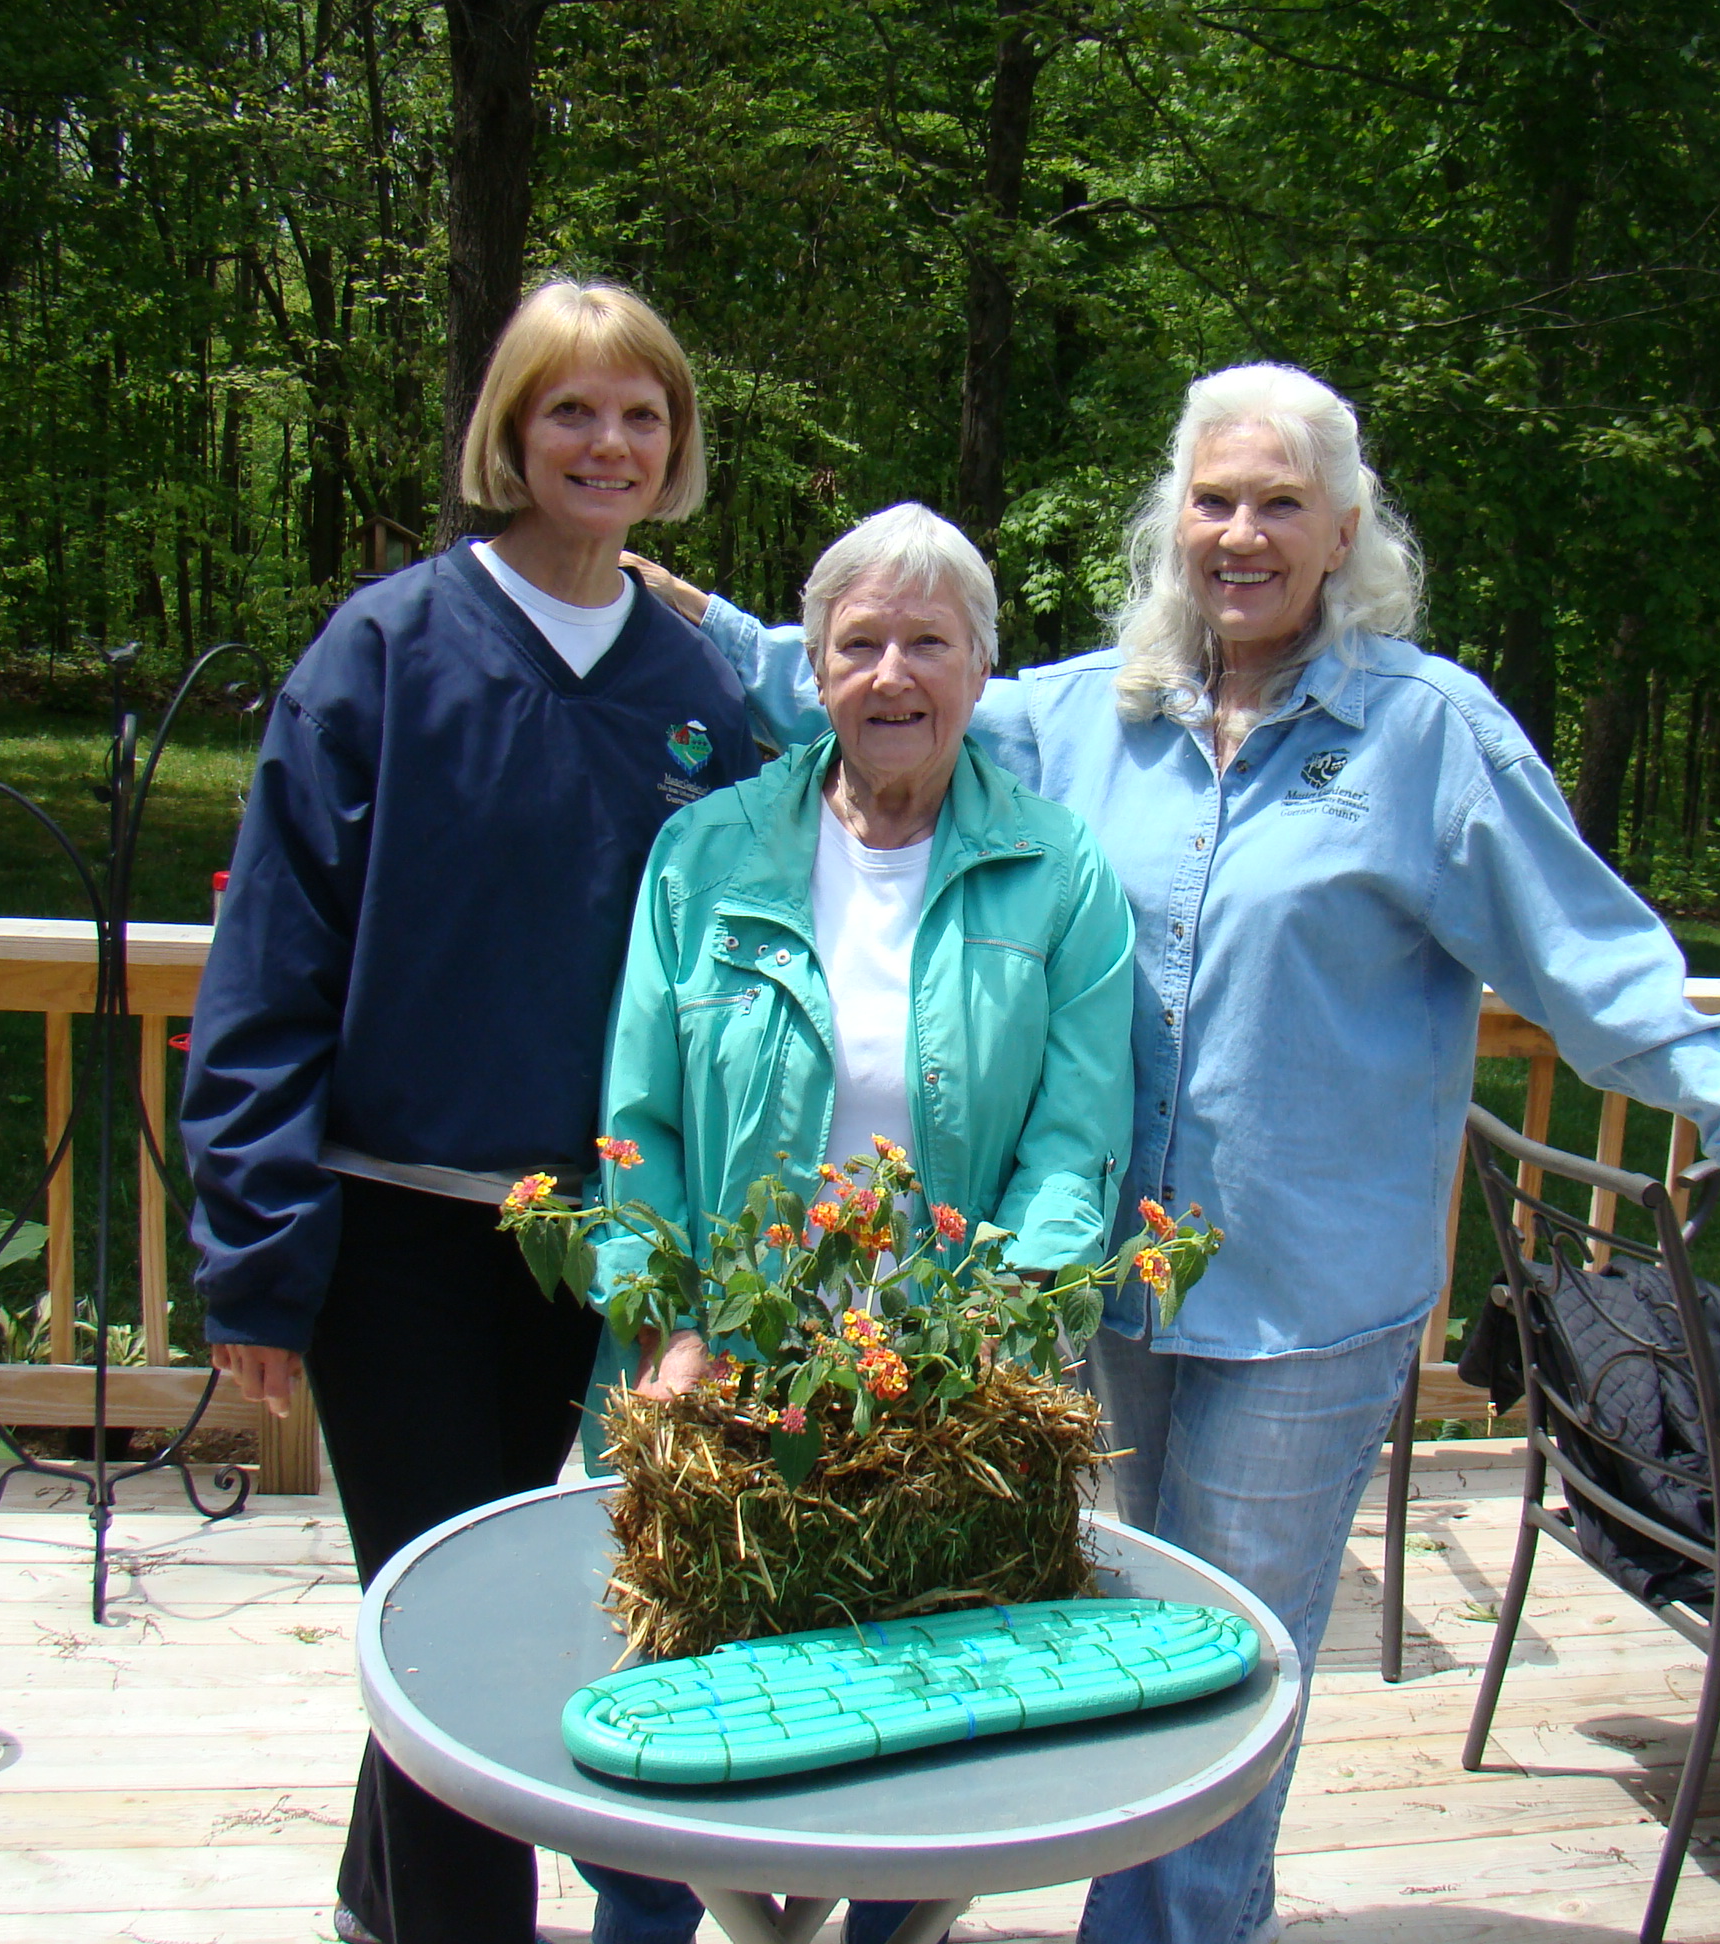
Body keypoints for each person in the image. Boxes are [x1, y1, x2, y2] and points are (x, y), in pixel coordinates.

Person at [629, 363, 1720, 1944]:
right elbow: (877, 677)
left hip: (1302, 1305)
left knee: (1226, 1677)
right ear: (1175, 521)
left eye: (1280, 503)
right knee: (1094, 1647)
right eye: (1215, 500)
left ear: (1345, 528)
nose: (1243, 534)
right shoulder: (1093, 714)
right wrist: (641, 578)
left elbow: (1599, 965)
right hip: (1093, 1294)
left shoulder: (1428, 738)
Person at [180, 280, 760, 1944]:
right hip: (402, 1233)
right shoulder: (385, 649)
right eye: (571, 410)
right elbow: (272, 962)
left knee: (500, 1613)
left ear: (675, 447)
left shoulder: (697, 682)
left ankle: (383, 1905)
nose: (607, 442)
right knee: (456, 1626)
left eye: (641, 414)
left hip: (607, 1251)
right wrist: (261, 1255)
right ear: (510, 432)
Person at [575, 502, 1136, 1944]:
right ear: (812, 669)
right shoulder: (706, 854)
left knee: (918, 1751)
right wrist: (673, 1321)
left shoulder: (1058, 872)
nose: (894, 675)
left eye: (930, 643)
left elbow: (1074, 1148)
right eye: (860, 642)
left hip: (937, 1390)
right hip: (723, 1374)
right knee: (668, 1742)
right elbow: (636, 1120)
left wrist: (983, 1344)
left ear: (979, 671)